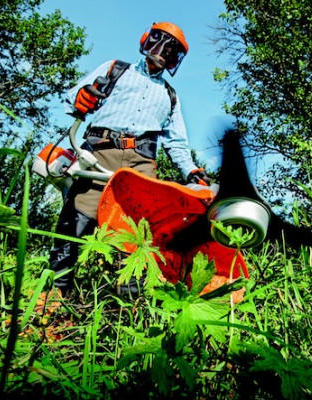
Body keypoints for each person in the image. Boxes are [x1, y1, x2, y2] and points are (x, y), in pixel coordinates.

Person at [49, 21, 210, 295]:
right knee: (76, 221)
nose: (162, 53)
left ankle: (127, 305)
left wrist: (191, 172)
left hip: (140, 164)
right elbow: (72, 97)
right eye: (159, 43)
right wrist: (81, 97)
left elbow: (177, 143)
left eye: (171, 51)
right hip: (100, 152)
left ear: (176, 60)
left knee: (140, 234)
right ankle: (53, 295)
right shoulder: (116, 69)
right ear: (147, 40)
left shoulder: (170, 96)